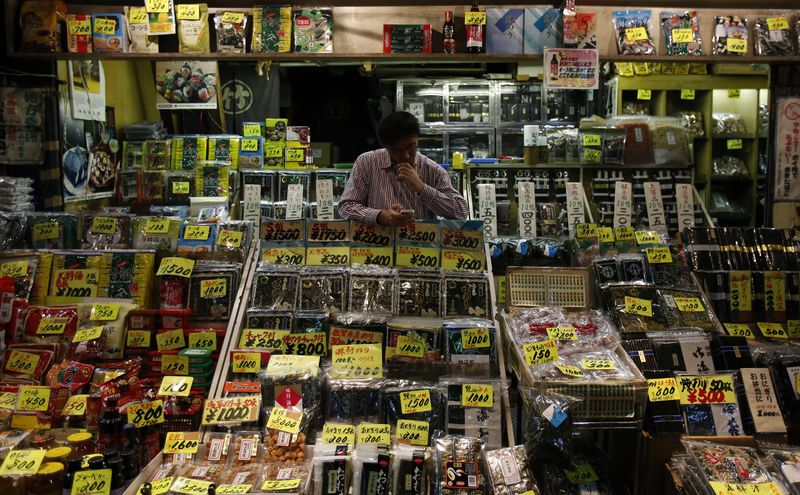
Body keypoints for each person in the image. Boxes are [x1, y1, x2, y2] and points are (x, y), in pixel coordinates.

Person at [339, 111, 469, 226]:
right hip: (376, 246)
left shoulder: (432, 170)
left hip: (421, 248)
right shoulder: (367, 163)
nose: (405, 155)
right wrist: (380, 216)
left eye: (410, 146)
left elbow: (461, 212)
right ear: (385, 146)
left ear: (418, 139)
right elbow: (346, 207)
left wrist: (421, 188)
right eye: (395, 150)